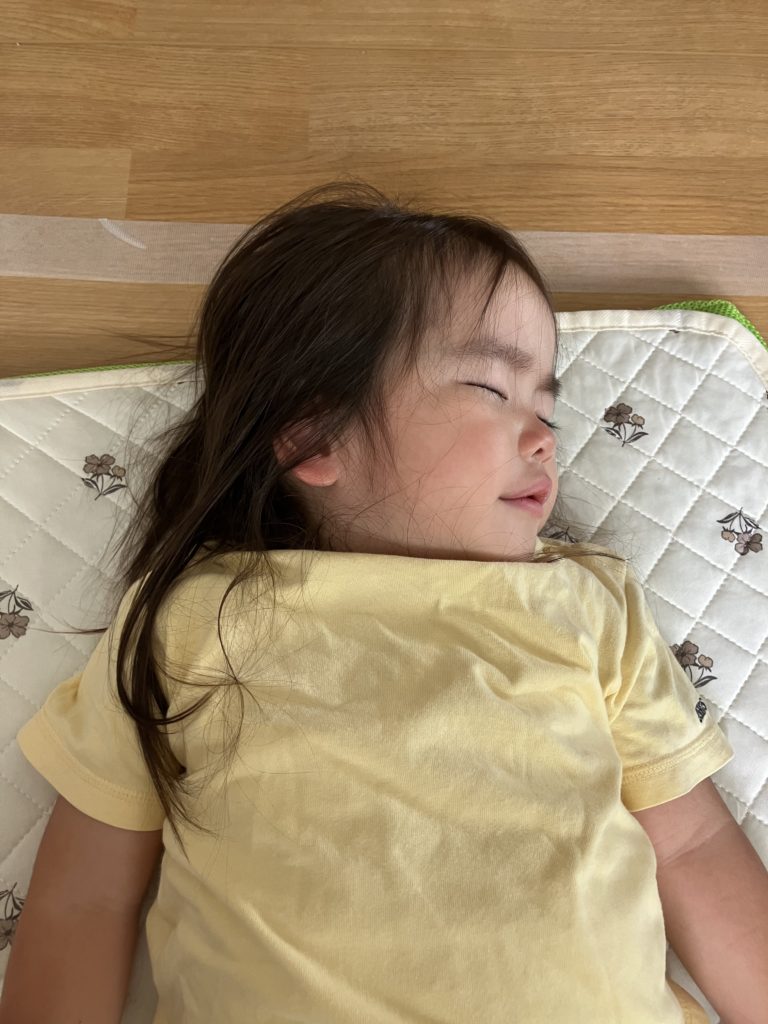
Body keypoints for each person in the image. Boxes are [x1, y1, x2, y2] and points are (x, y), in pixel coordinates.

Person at [4, 181, 734, 1023]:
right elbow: (84, 899)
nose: (544, 439)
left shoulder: (585, 603)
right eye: (492, 390)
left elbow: (693, 843)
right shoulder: (191, 618)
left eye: (548, 408)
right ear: (318, 438)